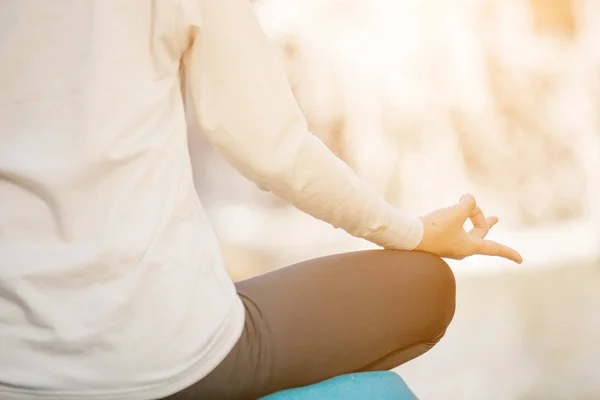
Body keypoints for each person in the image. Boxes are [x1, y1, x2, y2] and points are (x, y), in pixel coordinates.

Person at [0, 0, 522, 399]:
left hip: (15, 365)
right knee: (424, 285)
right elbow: (273, 149)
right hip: (165, 357)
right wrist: (415, 232)